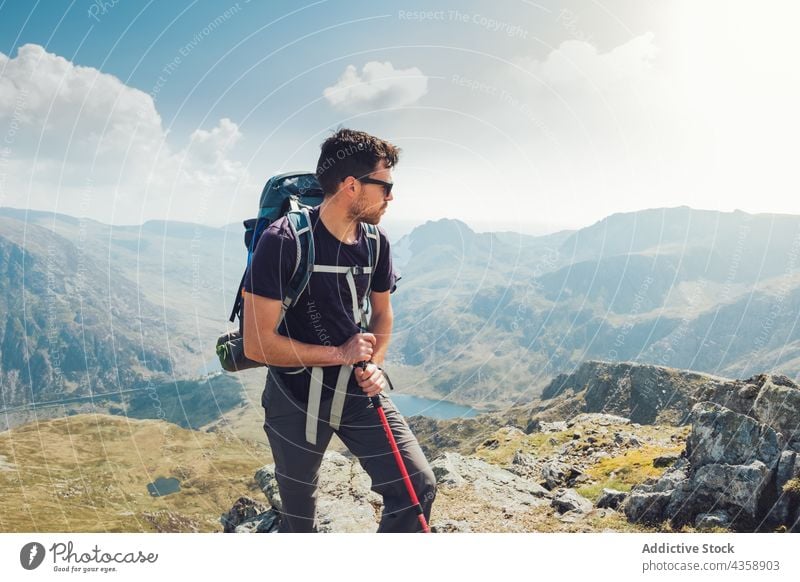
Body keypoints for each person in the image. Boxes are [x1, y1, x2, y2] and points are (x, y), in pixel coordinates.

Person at [242, 128, 436, 532]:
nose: (391, 197)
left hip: (356, 392)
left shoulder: (375, 242)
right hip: (293, 397)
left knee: (417, 487)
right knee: (299, 518)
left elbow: (383, 313)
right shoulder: (284, 242)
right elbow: (257, 343)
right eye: (385, 186)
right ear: (352, 186)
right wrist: (340, 354)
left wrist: (375, 364)